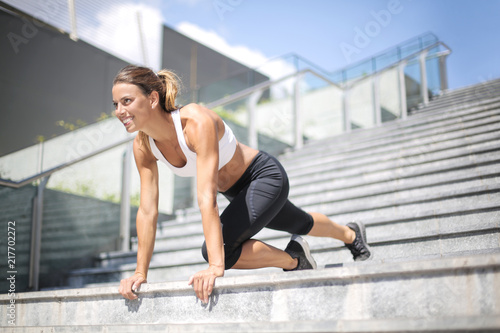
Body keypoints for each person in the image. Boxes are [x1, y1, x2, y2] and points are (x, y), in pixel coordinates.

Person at [115, 65, 371, 304]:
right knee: (300, 222)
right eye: (115, 104)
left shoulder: (194, 122)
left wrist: (216, 265)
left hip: (263, 175)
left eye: (127, 101)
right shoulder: (143, 146)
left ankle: (295, 259)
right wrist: (140, 272)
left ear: (152, 99)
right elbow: (148, 211)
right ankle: (349, 234)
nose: (119, 111)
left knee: (219, 251)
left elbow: (206, 198)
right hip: (235, 192)